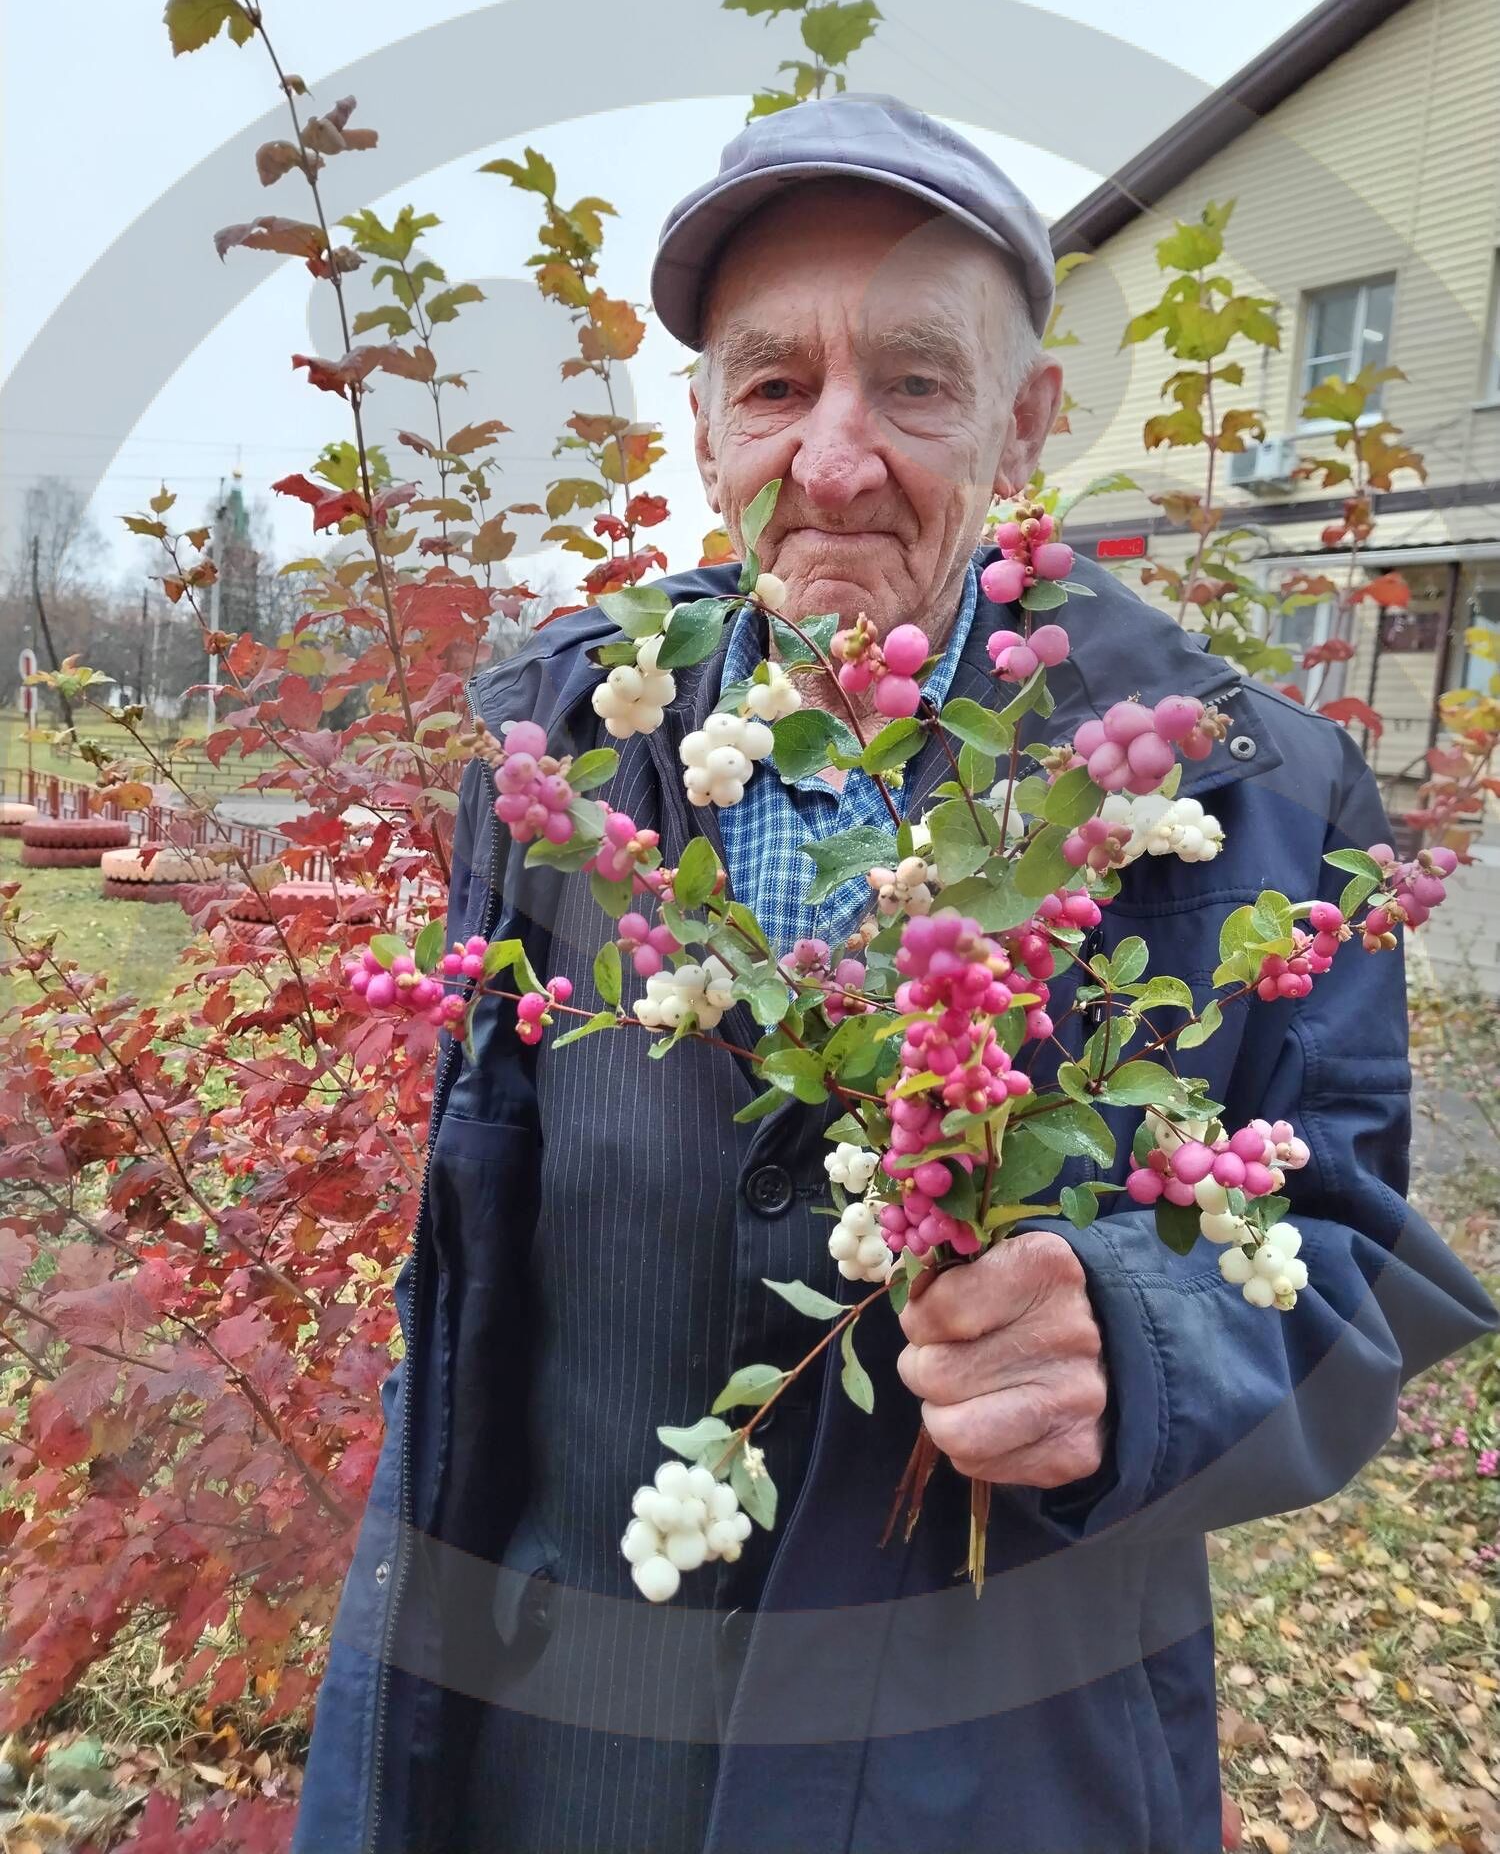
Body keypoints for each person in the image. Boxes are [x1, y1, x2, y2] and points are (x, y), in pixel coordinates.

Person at [294, 94, 1496, 1854]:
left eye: (915, 385)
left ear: (1024, 423)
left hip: (980, 1784)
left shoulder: (1251, 792)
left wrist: (1144, 1346)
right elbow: (485, 1262)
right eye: (775, 385)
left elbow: (1352, 1267)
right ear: (705, 432)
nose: (836, 458)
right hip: (548, 1757)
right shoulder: (551, 750)